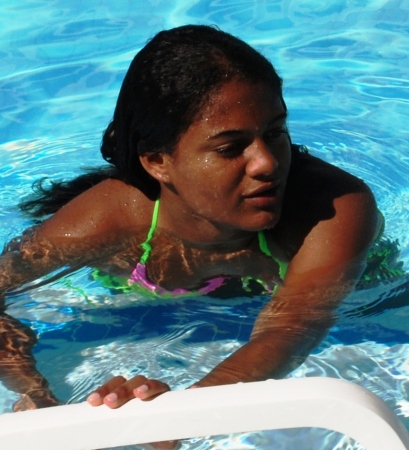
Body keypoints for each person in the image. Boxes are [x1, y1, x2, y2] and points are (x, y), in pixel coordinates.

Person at [0, 24, 380, 412]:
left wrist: (178, 416)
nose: (268, 162)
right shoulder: (107, 219)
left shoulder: (333, 210)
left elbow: (291, 327)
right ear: (157, 161)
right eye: (231, 148)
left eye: (275, 131)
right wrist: (35, 392)